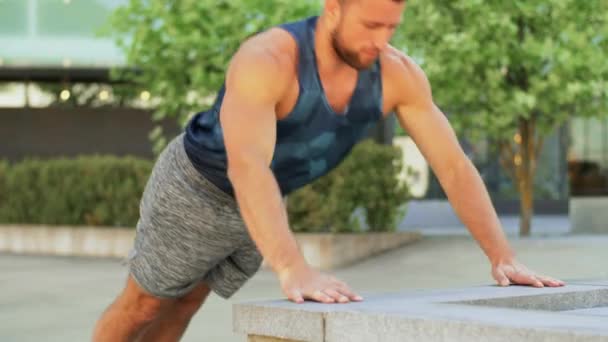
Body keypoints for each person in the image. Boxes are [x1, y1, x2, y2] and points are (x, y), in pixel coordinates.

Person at [93, 0, 565, 340]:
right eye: (371, 24)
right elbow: (249, 167)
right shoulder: (269, 60)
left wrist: (501, 256)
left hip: (261, 205)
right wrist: (293, 267)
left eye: (391, 27)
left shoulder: (397, 74)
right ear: (333, 8)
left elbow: (454, 167)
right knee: (146, 303)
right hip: (198, 187)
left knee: (188, 302)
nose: (380, 41)